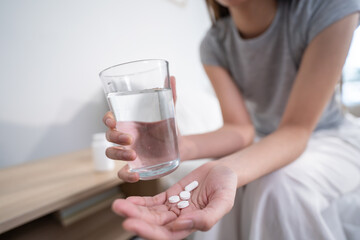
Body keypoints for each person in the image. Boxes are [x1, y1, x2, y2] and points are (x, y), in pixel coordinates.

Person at [103, 0, 360, 239]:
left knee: (276, 187)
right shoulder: (215, 43)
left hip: (329, 135)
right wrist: (178, 147)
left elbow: (296, 129)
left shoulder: (328, 7)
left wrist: (232, 169)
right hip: (266, 140)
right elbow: (241, 129)